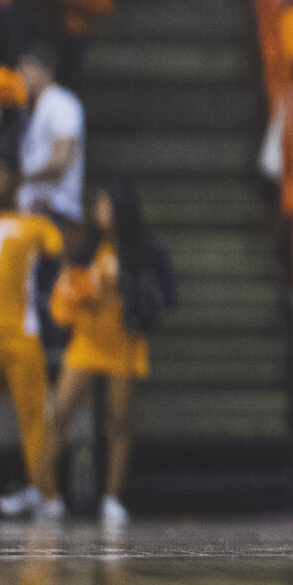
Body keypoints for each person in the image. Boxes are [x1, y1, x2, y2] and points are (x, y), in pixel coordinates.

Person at [40, 178, 170, 523]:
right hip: (87, 337)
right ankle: (44, 489)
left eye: (106, 206)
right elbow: (69, 286)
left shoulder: (142, 251)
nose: (100, 213)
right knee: (60, 410)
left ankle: (112, 496)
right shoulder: (88, 245)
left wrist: (132, 294)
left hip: (124, 339)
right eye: (97, 206)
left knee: (119, 421)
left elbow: (165, 294)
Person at [0, 158, 67, 520]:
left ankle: (45, 491)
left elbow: (60, 249)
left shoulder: (32, 224)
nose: (0, 182)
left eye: (6, 175)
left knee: (35, 415)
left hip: (23, 330)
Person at [14, 47, 85, 224]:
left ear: (47, 71)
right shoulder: (29, 109)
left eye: (28, 67)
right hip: (32, 209)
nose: (22, 74)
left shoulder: (60, 102)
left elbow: (62, 160)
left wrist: (20, 178)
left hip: (56, 208)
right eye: (20, 68)